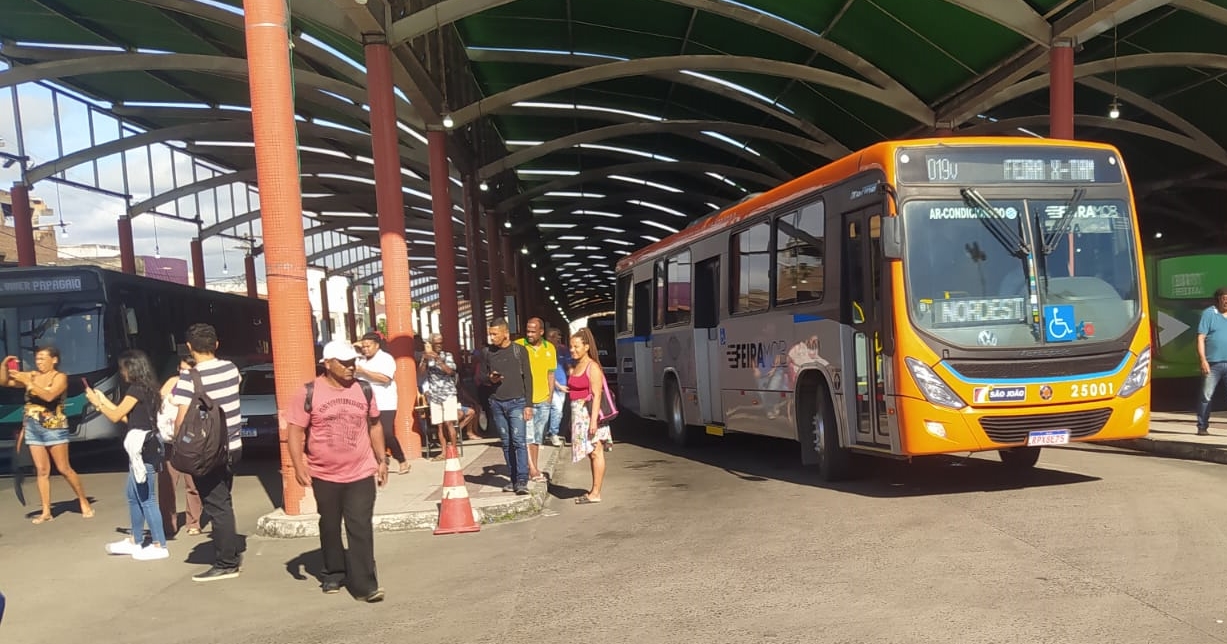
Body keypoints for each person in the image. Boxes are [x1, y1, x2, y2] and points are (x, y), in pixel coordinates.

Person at [286, 340, 387, 602]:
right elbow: (295, 431)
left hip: (361, 470)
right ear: (327, 364)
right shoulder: (308, 392)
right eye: (344, 363)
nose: (350, 367)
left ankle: (366, 585)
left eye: (353, 362)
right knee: (330, 523)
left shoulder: (363, 390)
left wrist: (381, 459)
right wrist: (298, 465)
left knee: (360, 525)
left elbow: (375, 425)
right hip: (324, 473)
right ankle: (333, 571)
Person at [171, 323, 243, 582]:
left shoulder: (190, 378)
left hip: (206, 453)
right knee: (224, 500)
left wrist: (179, 443)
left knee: (217, 505)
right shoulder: (231, 369)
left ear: (189, 347)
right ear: (216, 344)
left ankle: (227, 563)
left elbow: (180, 420)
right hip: (233, 448)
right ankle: (230, 551)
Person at [85, 350, 169, 560]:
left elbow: (114, 416)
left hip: (143, 448)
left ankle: (159, 545)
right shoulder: (148, 388)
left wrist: (97, 404)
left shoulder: (135, 389)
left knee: (146, 498)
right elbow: (128, 420)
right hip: (144, 444)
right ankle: (136, 540)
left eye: (123, 368)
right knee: (133, 495)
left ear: (131, 368)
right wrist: (103, 400)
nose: (121, 372)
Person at [0, 346, 93, 523]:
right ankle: (46, 511)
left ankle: (82, 499)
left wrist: (29, 384)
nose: (39, 361)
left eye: (43, 358)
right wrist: (4, 366)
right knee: (42, 471)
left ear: (54, 360)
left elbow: (49, 396)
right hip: (33, 427)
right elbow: (5, 382)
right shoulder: (32, 375)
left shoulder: (60, 377)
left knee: (64, 468)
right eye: (37, 358)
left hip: (55, 427)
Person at [481, 317, 534, 495]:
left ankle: (522, 480)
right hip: (496, 402)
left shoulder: (520, 351)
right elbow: (481, 377)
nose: (492, 338)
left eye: (495, 334)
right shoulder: (487, 352)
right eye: (490, 334)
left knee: (519, 441)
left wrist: (529, 404)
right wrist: (490, 378)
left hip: (517, 402)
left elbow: (528, 377)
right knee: (506, 442)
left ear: (505, 333)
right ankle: (512, 479)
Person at [157, 356, 203, 537]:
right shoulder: (172, 382)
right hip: (169, 439)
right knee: (166, 483)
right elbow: (160, 400)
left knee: (192, 483)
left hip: (190, 439)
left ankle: (194, 522)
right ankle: (168, 524)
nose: (183, 373)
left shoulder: (198, 385)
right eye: (180, 369)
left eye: (187, 370)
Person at [355, 332, 408, 474]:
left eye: (368, 346)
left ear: (377, 345)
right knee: (367, 434)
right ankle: (380, 461)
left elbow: (385, 378)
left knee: (386, 432)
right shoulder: (360, 360)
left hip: (385, 402)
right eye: (363, 346)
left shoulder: (386, 359)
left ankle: (402, 459)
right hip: (365, 401)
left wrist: (364, 372)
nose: (365, 349)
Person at [568, 328, 608, 504]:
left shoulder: (593, 367)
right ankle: (593, 490)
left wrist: (593, 422)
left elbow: (597, 394)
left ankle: (596, 492)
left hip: (589, 415)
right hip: (578, 414)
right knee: (591, 453)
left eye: (576, 346)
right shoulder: (576, 365)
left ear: (586, 346)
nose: (572, 350)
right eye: (571, 346)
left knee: (595, 451)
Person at [515, 318, 557, 482]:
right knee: (528, 435)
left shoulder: (550, 348)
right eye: (528, 331)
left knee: (537, 438)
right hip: (526, 401)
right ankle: (532, 470)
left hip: (543, 399)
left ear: (541, 332)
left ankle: (534, 466)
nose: (530, 334)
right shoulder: (518, 345)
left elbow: (551, 374)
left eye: (533, 331)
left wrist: (550, 397)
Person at [420, 332, 459, 460]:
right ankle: (443, 452)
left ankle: (453, 450)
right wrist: (425, 360)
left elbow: (450, 371)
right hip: (434, 394)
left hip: (448, 393)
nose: (439, 345)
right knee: (439, 424)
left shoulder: (447, 355)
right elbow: (420, 373)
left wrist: (438, 359)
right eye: (436, 343)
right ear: (431, 344)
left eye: (441, 343)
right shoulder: (426, 357)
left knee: (449, 422)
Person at [1196, 287, 1227, 435]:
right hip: (1213, 364)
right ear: (1219, 299)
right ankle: (1202, 426)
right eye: (1224, 298)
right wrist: (1203, 360)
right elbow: (1201, 337)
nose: (1226, 302)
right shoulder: (1209, 313)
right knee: (1206, 396)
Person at [546, 327, 571, 447]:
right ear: (550, 337)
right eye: (557, 336)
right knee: (556, 410)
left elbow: (569, 365)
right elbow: (546, 371)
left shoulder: (563, 349)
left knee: (557, 411)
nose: (559, 338)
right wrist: (558, 385)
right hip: (550, 385)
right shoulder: (544, 350)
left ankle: (548, 433)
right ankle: (553, 433)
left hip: (563, 384)